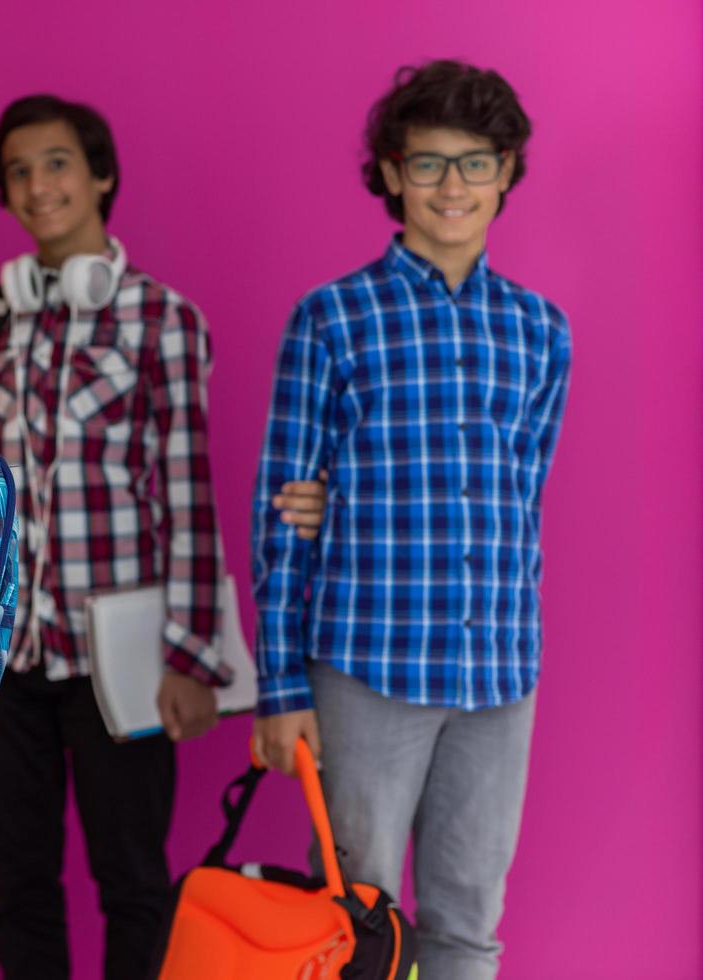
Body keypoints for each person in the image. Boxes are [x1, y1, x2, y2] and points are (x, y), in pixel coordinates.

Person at [0, 94, 323, 979]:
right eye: (18, 171)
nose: (38, 186)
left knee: (133, 883)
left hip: (120, 665)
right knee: (17, 885)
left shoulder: (162, 319)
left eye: (57, 164)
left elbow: (187, 493)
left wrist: (191, 657)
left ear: (100, 176)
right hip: (4, 659)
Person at [250, 60, 572, 979]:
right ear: (391, 174)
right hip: (366, 662)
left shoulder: (540, 330)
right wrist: (280, 686)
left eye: (474, 164)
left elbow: (523, 495)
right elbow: (282, 508)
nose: (452, 187)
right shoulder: (332, 318)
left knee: (468, 919)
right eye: (427, 164)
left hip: (498, 670)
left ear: (506, 171)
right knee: (353, 917)